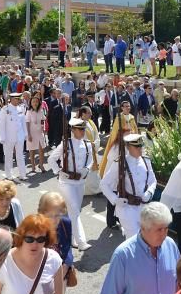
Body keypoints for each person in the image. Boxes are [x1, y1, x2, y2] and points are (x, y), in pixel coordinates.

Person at [47, 117, 95, 250]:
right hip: (66, 182)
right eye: (80, 129)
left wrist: (86, 169)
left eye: (83, 129)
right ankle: (81, 242)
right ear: (73, 130)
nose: (82, 131)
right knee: (74, 209)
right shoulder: (65, 144)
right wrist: (58, 171)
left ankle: (70, 237)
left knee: (74, 211)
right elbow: (51, 158)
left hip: (80, 182)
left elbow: (90, 160)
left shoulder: (87, 144)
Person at [101, 132, 157, 238]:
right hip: (127, 209)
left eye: (141, 146)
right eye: (137, 147)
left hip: (143, 208)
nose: (140, 149)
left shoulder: (146, 161)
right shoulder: (120, 163)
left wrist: (149, 192)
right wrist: (115, 199)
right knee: (135, 240)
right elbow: (104, 184)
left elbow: (153, 181)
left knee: (142, 241)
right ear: (129, 147)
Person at [0, 92, 29, 181]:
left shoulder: (21, 108)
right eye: (17, 99)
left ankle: (22, 174)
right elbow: (1, 124)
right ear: (12, 99)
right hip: (9, 136)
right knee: (8, 156)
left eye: (19, 99)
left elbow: (23, 122)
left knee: (20, 155)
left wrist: (25, 134)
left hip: (19, 136)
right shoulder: (5, 109)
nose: (18, 100)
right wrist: (2, 137)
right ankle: (9, 174)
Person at [25, 94, 48, 172]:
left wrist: (43, 127)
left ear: (39, 103)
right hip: (31, 133)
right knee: (32, 150)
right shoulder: (28, 112)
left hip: (39, 133)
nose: (35, 103)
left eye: (36, 102)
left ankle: (41, 165)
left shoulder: (41, 111)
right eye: (33, 102)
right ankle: (33, 166)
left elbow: (43, 119)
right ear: (31, 103)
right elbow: (27, 123)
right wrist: (28, 134)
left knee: (41, 150)